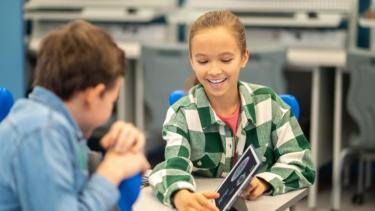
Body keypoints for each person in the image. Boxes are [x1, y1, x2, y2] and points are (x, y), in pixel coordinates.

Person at [149, 10, 315, 211]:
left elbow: (303, 164)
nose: (214, 70)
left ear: (244, 57)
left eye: (226, 60)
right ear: (192, 61)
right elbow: (171, 167)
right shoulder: (181, 114)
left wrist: (265, 182)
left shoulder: (269, 103)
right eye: (203, 61)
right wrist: (180, 195)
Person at [0, 20, 149, 211]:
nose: (110, 109)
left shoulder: (46, 120)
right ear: (94, 95)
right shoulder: (42, 131)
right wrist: (112, 171)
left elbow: (74, 174)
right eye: (112, 101)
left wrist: (120, 150)